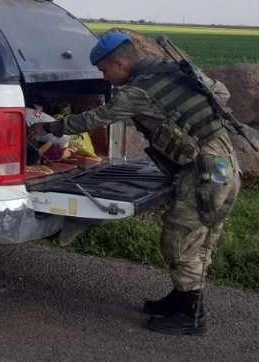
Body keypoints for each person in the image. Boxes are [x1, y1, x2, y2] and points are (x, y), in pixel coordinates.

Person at [38, 32, 240, 336]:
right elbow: (221, 94)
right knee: (203, 238)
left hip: (203, 171)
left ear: (121, 64)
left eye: (105, 71)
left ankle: (191, 315)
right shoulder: (173, 71)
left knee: (180, 240)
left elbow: (96, 119)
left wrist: (51, 126)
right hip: (226, 166)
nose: (105, 78)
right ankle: (181, 296)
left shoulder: (136, 92)